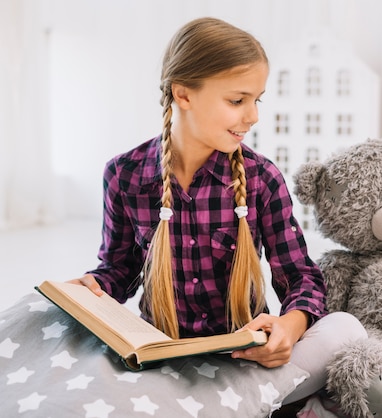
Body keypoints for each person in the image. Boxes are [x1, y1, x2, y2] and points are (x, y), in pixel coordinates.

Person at [70, 17, 366, 405]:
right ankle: (236, 407)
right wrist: (90, 290)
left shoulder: (261, 178)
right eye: (237, 100)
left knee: (345, 328)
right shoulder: (124, 175)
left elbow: (301, 279)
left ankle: (227, 404)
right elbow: (119, 271)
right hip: (161, 364)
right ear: (184, 95)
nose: (253, 116)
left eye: (256, 100)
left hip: (244, 364)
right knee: (67, 343)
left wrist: (288, 329)